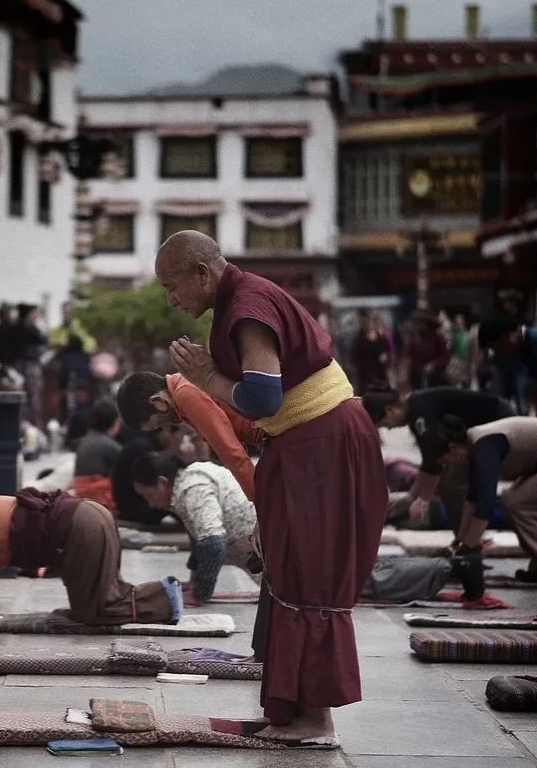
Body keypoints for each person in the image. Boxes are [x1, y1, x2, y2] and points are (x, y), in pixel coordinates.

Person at [155, 230, 387, 748]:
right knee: (289, 569)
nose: (172, 300)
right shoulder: (238, 300)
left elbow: (260, 395)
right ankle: (292, 711)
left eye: (173, 287)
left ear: (201, 272)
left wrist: (207, 378)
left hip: (322, 442)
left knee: (310, 572)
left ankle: (316, 720)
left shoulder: (248, 304)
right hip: (302, 443)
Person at [0, 489, 181, 625]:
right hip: (88, 515)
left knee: (93, 613)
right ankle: (164, 594)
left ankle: (164, 600)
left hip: (81, 526)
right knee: (105, 595)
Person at [427, 414, 537, 591]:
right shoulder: (475, 444)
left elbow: (486, 505)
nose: (448, 465)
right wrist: (458, 542)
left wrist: (468, 551)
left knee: (516, 503)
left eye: (444, 460)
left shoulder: (484, 447)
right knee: (513, 499)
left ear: (453, 448)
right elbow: (473, 499)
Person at [363, 386, 513, 533]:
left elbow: (433, 460)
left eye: (385, 423)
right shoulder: (416, 413)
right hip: (480, 432)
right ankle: (464, 538)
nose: (389, 428)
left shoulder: (420, 412)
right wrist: (412, 496)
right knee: (450, 484)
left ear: (390, 409)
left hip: (499, 423)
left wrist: (423, 499)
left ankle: (470, 539)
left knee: (455, 485)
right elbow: (429, 461)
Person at [132, 450, 260, 606]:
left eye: (148, 496)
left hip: (270, 557)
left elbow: (214, 544)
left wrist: (199, 594)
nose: (150, 504)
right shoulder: (187, 481)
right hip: (259, 558)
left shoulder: (192, 487)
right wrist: (194, 581)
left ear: (162, 482)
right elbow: (199, 538)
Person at [116, 371, 260, 501]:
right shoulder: (184, 386)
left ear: (158, 402)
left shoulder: (184, 394)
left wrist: (258, 498)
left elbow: (231, 452)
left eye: (160, 423)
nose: (166, 427)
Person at [72, 398, 122, 511]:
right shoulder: (109, 446)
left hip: (81, 497)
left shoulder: (85, 439)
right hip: (98, 500)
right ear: (115, 423)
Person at [12, 304, 47, 427]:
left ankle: (23, 425)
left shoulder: (15, 327)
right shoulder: (30, 328)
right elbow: (44, 340)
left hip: (18, 365)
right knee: (33, 398)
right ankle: (34, 426)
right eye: (35, 313)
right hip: (30, 365)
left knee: (21, 397)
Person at [350, 310, 392, 393]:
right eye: (367, 323)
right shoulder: (359, 339)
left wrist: (386, 357)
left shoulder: (382, 339)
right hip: (365, 374)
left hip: (380, 372)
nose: (369, 325)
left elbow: (388, 352)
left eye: (371, 322)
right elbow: (354, 356)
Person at [405, 311, 450, 390]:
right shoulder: (414, 339)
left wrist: (433, 364)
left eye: (419, 322)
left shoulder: (437, 338)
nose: (417, 326)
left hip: (434, 378)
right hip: (417, 378)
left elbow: (445, 357)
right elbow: (408, 357)